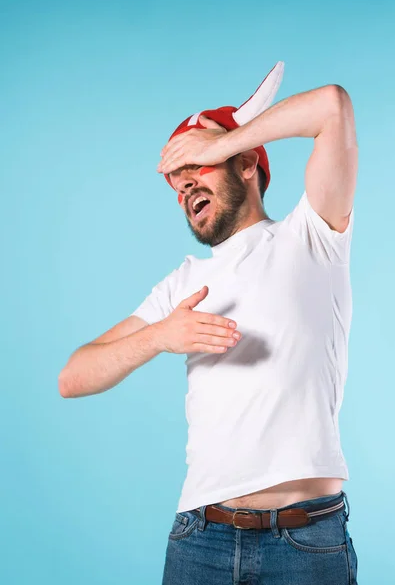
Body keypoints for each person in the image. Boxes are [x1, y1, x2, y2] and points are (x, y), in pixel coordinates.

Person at [58, 62, 359, 584]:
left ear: (246, 163)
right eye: (177, 184)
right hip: (203, 542)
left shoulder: (311, 237)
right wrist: (158, 337)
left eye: (198, 169)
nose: (184, 188)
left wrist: (217, 142)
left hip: (306, 543)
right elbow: (73, 377)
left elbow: (331, 106)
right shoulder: (182, 285)